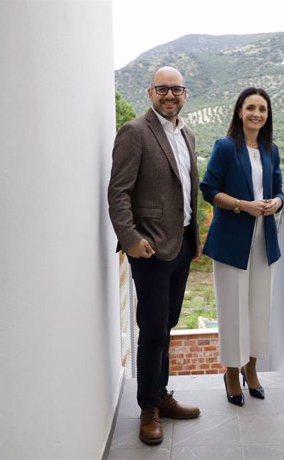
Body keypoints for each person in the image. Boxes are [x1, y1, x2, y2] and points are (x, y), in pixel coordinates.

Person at [108, 66, 201, 445]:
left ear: (185, 94)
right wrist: (130, 239)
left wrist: (193, 239)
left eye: (176, 90)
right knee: (152, 329)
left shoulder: (187, 134)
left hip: (179, 244)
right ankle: (148, 407)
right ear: (150, 93)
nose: (169, 96)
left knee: (168, 324)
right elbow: (118, 192)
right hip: (148, 249)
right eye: (162, 89)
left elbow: (186, 191)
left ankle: (161, 394)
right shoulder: (134, 133)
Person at [199, 87, 284, 406]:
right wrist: (241, 205)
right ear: (239, 111)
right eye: (251, 108)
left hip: (265, 239)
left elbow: (279, 190)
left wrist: (276, 202)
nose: (257, 114)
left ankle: (252, 370)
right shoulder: (224, 147)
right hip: (232, 241)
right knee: (233, 311)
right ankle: (232, 373)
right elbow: (209, 189)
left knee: (259, 309)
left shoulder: (270, 150)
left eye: (263, 109)